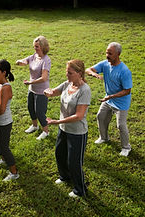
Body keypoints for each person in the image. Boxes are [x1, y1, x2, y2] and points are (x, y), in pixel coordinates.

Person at [44, 59, 91, 198]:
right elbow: (54, 92)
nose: (67, 75)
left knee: (74, 162)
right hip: (63, 129)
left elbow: (79, 115)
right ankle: (64, 176)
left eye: (70, 73)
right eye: (66, 72)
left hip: (77, 132)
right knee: (60, 154)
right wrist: (48, 92)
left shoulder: (84, 90)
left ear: (79, 73)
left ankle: (80, 189)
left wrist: (58, 121)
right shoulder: (67, 84)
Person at [86, 42, 132, 157]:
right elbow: (88, 69)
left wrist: (111, 96)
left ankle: (126, 147)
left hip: (121, 102)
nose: (107, 55)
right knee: (100, 116)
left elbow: (127, 91)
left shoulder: (124, 71)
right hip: (108, 99)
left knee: (121, 125)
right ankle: (104, 137)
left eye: (110, 53)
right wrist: (94, 74)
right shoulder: (105, 64)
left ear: (118, 54)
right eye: (107, 52)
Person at [16, 35, 51, 140]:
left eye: (37, 47)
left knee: (40, 112)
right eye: (34, 46)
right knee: (31, 108)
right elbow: (25, 61)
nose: (35, 48)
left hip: (41, 90)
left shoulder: (46, 60)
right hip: (32, 89)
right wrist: (20, 62)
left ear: (43, 47)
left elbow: (44, 78)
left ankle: (46, 131)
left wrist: (32, 82)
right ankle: (35, 126)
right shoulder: (34, 56)